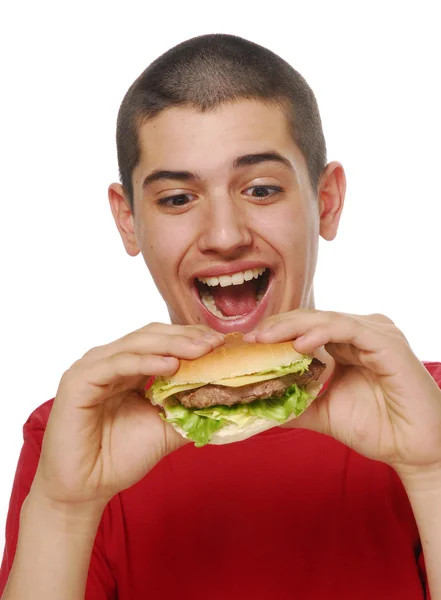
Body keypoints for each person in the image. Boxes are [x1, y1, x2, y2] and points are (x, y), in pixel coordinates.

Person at [1, 33, 440, 600]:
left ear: (325, 201)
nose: (225, 236)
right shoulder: (78, 431)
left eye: (260, 189)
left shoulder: (427, 405)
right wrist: (63, 509)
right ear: (128, 221)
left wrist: (432, 470)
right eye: (178, 199)